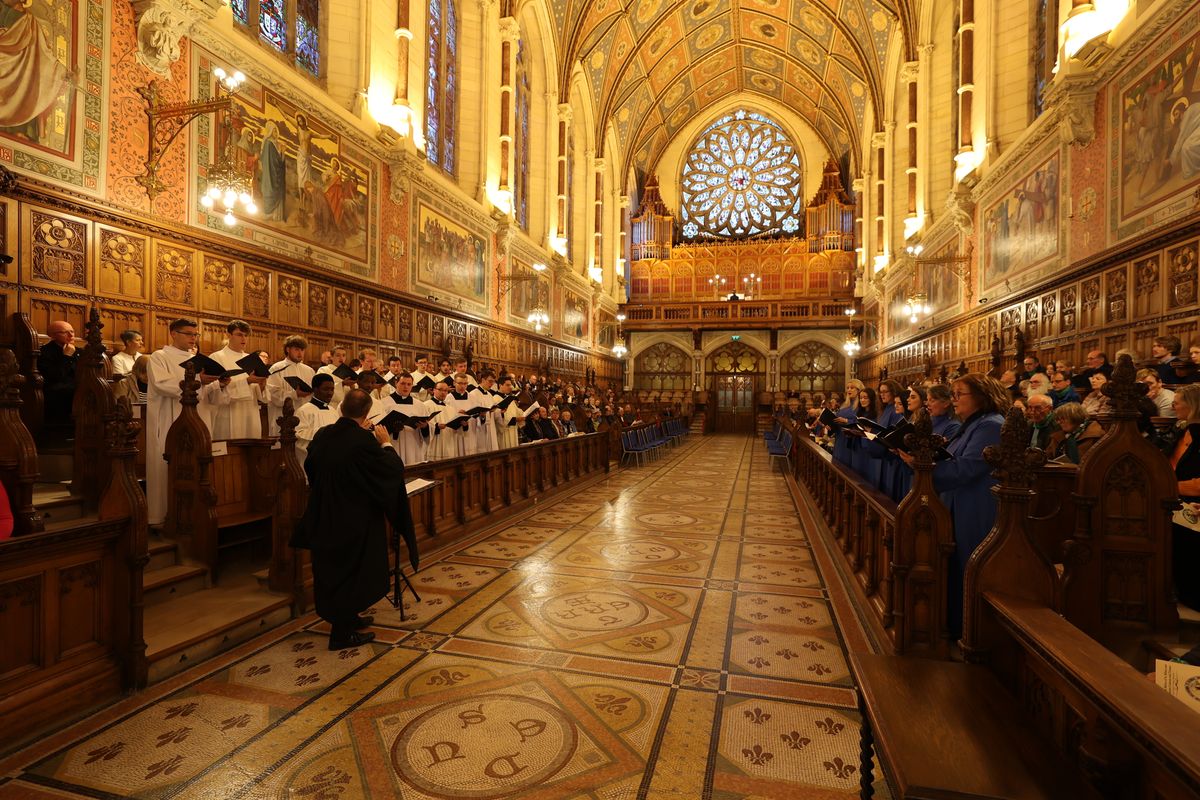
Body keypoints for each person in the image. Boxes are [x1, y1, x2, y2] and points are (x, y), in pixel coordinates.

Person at [291, 388, 418, 649]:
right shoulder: (364, 442)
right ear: (367, 413)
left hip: (323, 512)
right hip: (353, 517)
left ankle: (348, 617)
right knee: (352, 570)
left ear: (341, 409)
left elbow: (311, 468)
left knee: (331, 569)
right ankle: (342, 634)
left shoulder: (324, 434)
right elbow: (392, 470)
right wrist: (385, 443)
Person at [928, 373, 1008, 637]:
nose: (954, 400)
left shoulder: (991, 425)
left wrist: (925, 469)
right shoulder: (973, 423)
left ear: (982, 396)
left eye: (959, 394)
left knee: (968, 567)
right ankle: (953, 625)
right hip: (959, 503)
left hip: (975, 508)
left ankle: (968, 633)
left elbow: (967, 468)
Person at [146, 319, 225, 526]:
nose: (193, 338)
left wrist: (219, 384)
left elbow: (210, 397)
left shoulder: (198, 359)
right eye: (188, 333)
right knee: (168, 464)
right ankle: (162, 516)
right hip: (170, 419)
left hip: (199, 420)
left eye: (195, 334)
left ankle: (195, 515)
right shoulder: (159, 357)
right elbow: (163, 385)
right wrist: (199, 381)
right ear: (173, 333)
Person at [1168, 384, 1200, 609]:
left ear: (1192, 405)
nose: (1172, 405)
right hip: (1176, 503)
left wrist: (1171, 486)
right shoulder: (1182, 431)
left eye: (1177, 402)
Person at [211, 320, 266, 439]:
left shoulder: (251, 359)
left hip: (250, 412)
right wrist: (247, 381)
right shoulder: (217, 357)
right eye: (239, 334)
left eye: (246, 335)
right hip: (228, 413)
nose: (244, 339)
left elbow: (260, 395)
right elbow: (214, 391)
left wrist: (262, 383)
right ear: (229, 335)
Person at [266, 335, 315, 435]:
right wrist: (295, 394)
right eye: (296, 349)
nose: (300, 353)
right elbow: (273, 395)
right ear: (288, 349)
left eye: (302, 350)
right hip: (282, 419)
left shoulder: (309, 371)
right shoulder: (277, 368)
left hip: (304, 418)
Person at [38, 320, 80, 425]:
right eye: (64, 332)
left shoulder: (80, 351)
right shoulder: (44, 352)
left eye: (72, 331)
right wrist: (66, 357)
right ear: (52, 336)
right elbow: (55, 376)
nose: (71, 335)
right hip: (56, 391)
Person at [295, 374, 339, 468]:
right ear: (315, 389)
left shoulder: (333, 411)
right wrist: (324, 432)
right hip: (314, 462)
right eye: (326, 389)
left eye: (332, 389)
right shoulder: (303, 411)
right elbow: (299, 438)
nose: (330, 393)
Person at [388, 373, 432, 465]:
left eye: (409, 384)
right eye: (403, 383)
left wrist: (425, 426)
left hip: (413, 444)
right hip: (394, 443)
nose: (406, 387)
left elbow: (428, 430)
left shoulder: (419, 405)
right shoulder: (385, 403)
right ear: (396, 383)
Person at [831, 380, 864, 467]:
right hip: (839, 439)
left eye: (852, 388)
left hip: (851, 441)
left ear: (859, 390)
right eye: (848, 388)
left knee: (847, 469)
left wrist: (846, 421)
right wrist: (830, 425)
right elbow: (836, 421)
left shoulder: (861, 406)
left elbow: (862, 423)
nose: (849, 390)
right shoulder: (844, 405)